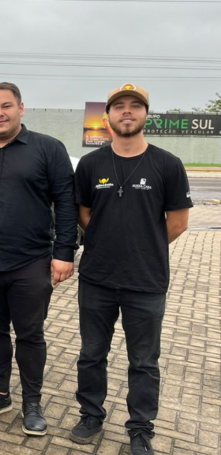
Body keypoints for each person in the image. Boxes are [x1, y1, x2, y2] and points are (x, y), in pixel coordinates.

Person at [0, 82, 78, 437]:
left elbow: (65, 203)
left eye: (6, 106)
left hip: (31, 262)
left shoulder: (49, 149)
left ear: (21, 109)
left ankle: (32, 402)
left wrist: (65, 253)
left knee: (30, 334)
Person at [70, 83, 191, 455]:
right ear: (107, 116)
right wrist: (109, 241)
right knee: (92, 354)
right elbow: (84, 214)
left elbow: (179, 222)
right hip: (97, 279)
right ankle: (91, 414)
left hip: (147, 281)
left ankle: (140, 428)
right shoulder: (91, 164)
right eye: (118, 106)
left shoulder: (167, 164)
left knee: (144, 361)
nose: (126, 112)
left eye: (134, 107)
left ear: (145, 115)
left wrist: (142, 246)